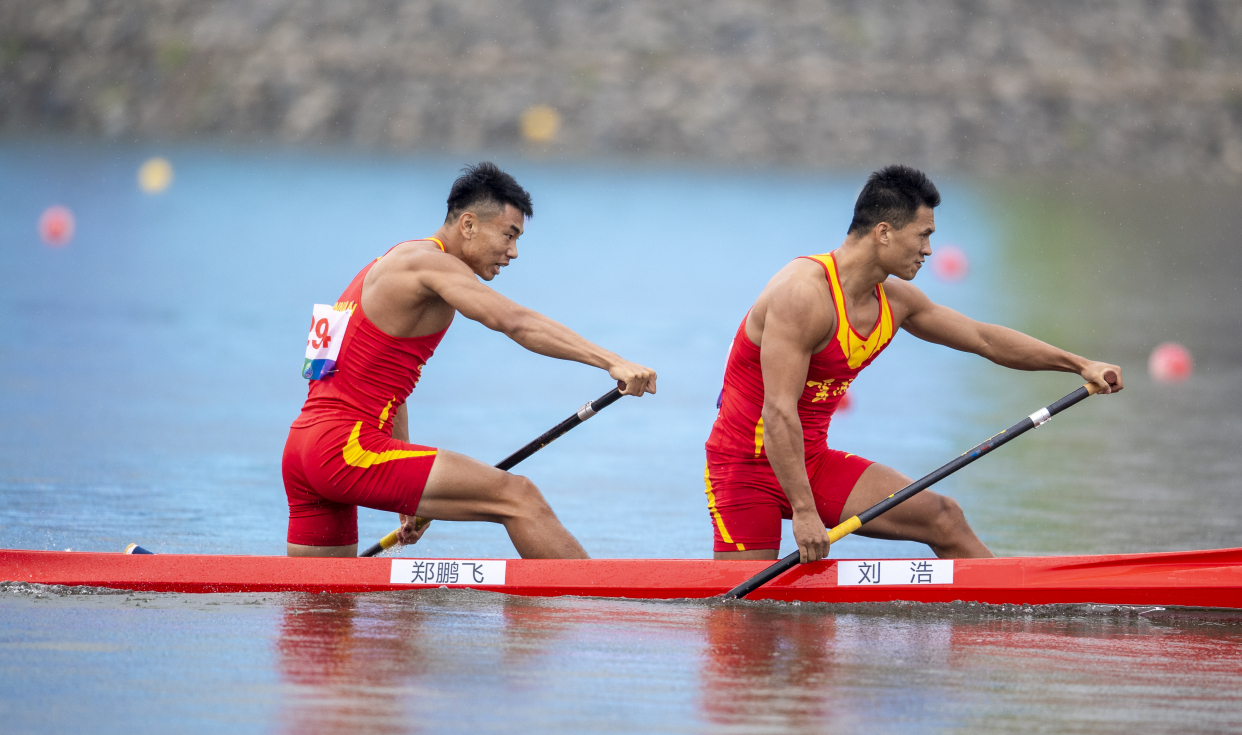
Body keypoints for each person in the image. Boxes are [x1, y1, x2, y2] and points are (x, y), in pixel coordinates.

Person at [704, 165, 1122, 564]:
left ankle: (1019, 614)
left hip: (810, 461)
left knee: (943, 517)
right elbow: (777, 412)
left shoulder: (896, 301)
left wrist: (1079, 364)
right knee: (746, 623)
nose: (929, 250)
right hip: (745, 469)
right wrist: (804, 510)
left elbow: (984, 339)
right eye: (923, 235)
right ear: (884, 232)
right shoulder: (802, 297)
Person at [283, 162, 656, 558]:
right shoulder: (430, 264)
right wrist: (612, 361)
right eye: (508, 235)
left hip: (303, 450)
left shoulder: (389, 262)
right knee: (519, 497)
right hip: (347, 449)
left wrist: (408, 494)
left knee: (321, 606)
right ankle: (595, 610)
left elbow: (389, 385)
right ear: (468, 225)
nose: (513, 252)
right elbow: (514, 322)